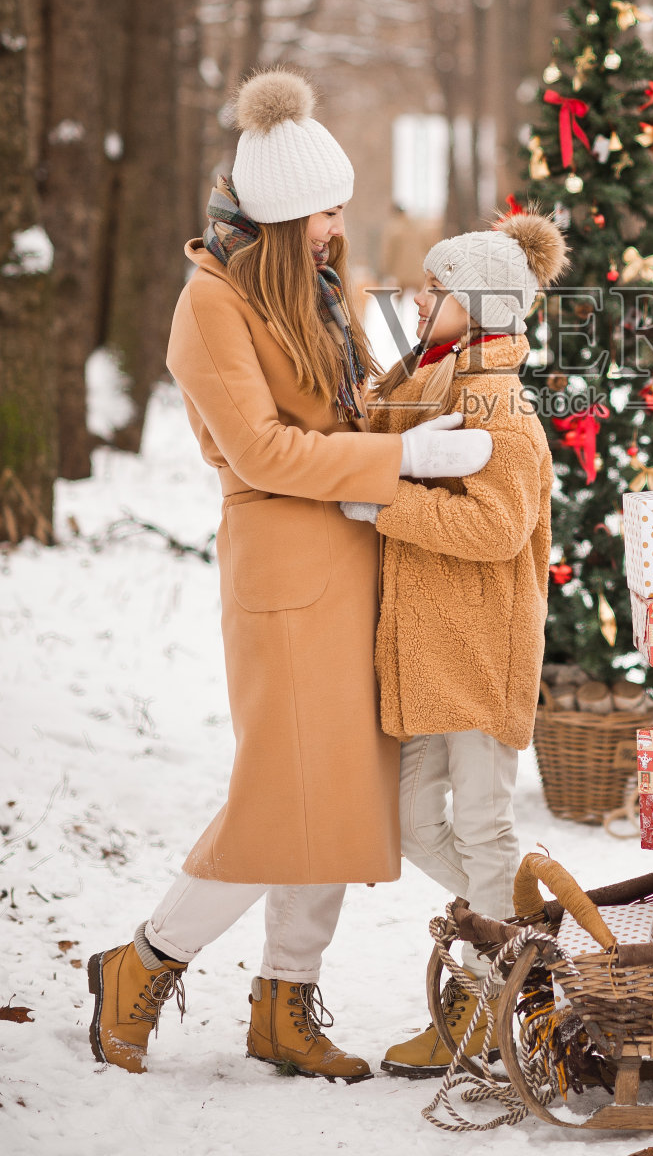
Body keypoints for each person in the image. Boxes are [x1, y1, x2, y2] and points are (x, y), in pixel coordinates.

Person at [86, 69, 493, 1081]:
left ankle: (282, 1003)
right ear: (277, 217)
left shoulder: (320, 293)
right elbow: (265, 453)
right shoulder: (209, 309)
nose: (336, 225)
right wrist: (396, 460)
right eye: (323, 209)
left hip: (356, 559)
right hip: (283, 572)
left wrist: (423, 424)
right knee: (285, 800)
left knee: (343, 800)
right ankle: (139, 966)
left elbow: (350, 411)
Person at [339, 207, 567, 1076]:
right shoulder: (429, 378)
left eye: (435, 290)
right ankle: (517, 927)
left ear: (480, 308)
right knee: (402, 818)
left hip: (478, 648)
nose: (418, 297)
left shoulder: (497, 402)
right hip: (426, 649)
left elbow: (499, 527)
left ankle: (484, 998)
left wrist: (382, 501)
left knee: (478, 818)